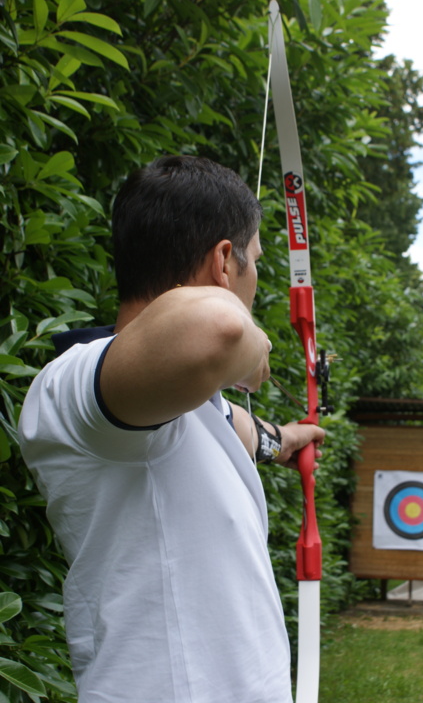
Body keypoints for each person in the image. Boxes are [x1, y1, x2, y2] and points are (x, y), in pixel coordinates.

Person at [18, 155, 325, 703]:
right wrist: (255, 349)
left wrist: (290, 440)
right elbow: (220, 328)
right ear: (224, 263)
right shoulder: (76, 382)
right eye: (255, 262)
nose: (255, 283)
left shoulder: (173, 402)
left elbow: (237, 430)